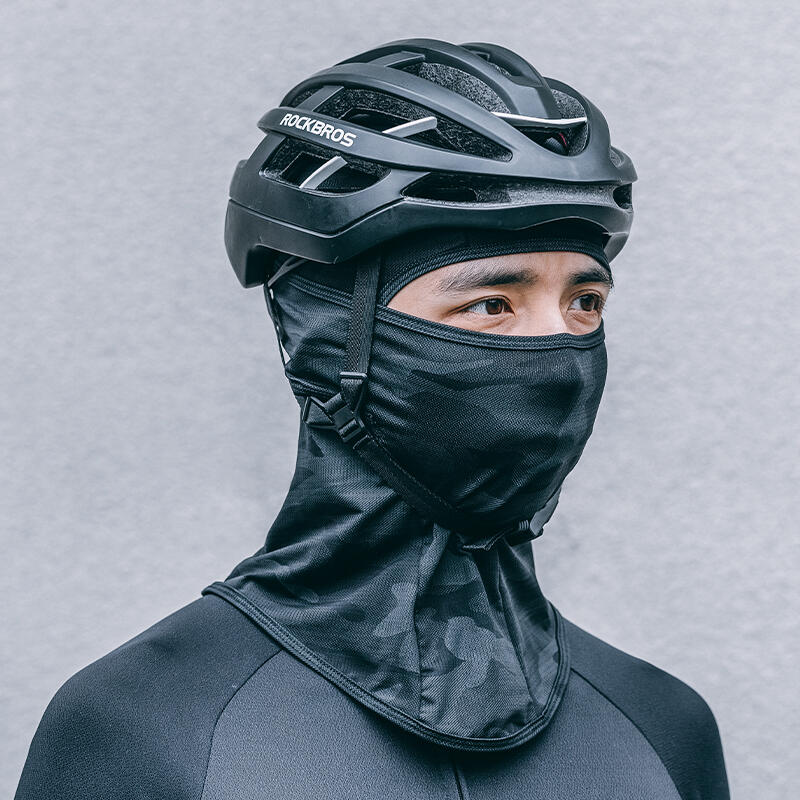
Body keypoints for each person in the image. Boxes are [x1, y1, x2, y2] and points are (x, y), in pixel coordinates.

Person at [14, 38, 730, 799]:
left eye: (584, 303)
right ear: (326, 338)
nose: (557, 355)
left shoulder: (666, 729)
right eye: (492, 304)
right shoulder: (146, 729)